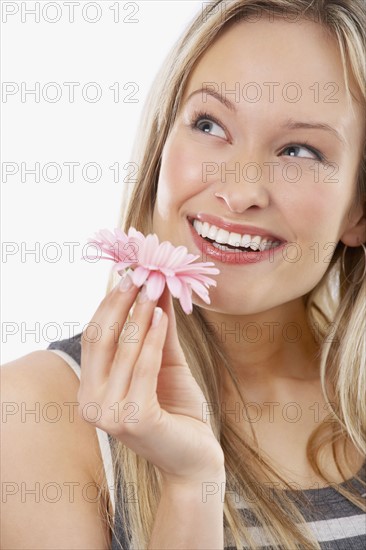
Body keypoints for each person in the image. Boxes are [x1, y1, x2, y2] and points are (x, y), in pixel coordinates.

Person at [2, 0, 365, 548]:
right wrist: (189, 485)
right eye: (209, 124)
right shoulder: (32, 414)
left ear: (358, 209)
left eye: (300, 150)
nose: (240, 190)